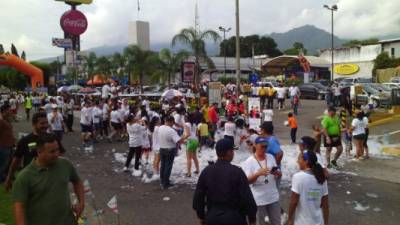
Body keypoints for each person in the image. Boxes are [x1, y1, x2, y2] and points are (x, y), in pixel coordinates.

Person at [12, 133, 84, 225]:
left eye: (57, 150)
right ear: (39, 151)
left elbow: (77, 181)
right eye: (52, 152)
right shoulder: (25, 177)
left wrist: (81, 202)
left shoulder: (65, 164)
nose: (57, 154)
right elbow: (19, 207)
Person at [193, 138, 257, 225]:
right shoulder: (237, 172)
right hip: (235, 218)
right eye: (232, 151)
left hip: (213, 217)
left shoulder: (206, 171)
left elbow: (198, 198)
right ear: (229, 152)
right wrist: (252, 219)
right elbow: (247, 198)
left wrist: (201, 217)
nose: (233, 153)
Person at [4, 112, 65, 191]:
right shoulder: (25, 140)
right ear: (34, 124)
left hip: (50, 177)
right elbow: (16, 160)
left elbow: (61, 154)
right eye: (42, 123)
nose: (46, 125)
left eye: (47, 123)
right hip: (31, 179)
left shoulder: (53, 138)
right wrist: (9, 177)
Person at [242, 137, 282, 225]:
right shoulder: (249, 161)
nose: (264, 149)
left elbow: (279, 174)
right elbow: (246, 181)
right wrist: (257, 174)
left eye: (265, 147)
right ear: (255, 146)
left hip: (273, 197)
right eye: (262, 146)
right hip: (258, 200)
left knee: (277, 222)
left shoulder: (270, 157)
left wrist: (276, 173)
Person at [287, 150, 329, 225]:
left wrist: (290, 218)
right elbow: (325, 204)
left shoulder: (298, 177)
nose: (297, 161)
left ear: (306, 162)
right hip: (319, 222)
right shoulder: (322, 178)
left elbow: (294, 202)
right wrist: (326, 223)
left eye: (300, 159)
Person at [158, 115, 189, 189]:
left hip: (162, 149)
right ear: (171, 122)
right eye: (173, 122)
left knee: (163, 165)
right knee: (168, 167)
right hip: (169, 150)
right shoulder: (171, 131)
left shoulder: (160, 127)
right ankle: (166, 183)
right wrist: (186, 136)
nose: (173, 124)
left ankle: (162, 180)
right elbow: (178, 141)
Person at [0, 104, 16, 182]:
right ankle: (1, 178)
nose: (10, 112)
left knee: (10, 163)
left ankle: (7, 176)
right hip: (3, 146)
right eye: (9, 110)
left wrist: (13, 140)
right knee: (3, 164)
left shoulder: (7, 120)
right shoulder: (1, 121)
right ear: (4, 111)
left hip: (10, 145)